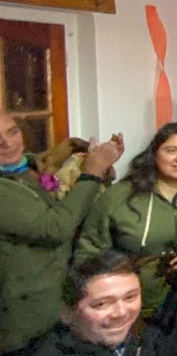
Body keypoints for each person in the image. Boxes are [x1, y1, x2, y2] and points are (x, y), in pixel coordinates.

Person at [0, 113, 124, 353]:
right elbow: (55, 227)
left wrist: (82, 156)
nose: (8, 143)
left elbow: (57, 189)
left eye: (12, 132)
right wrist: (92, 172)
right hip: (24, 323)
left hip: (57, 305)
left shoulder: (26, 169)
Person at [75, 122, 177, 322]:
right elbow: (88, 251)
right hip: (130, 311)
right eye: (171, 150)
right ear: (155, 153)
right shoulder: (120, 196)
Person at [15, 250, 177, 356]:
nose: (121, 312)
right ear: (68, 312)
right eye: (102, 304)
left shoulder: (144, 339)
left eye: (130, 297)